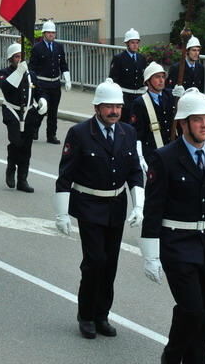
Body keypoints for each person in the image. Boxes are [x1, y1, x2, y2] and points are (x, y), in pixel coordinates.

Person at [140, 87, 205, 364]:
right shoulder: (164, 158)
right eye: (198, 120)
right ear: (183, 123)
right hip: (176, 244)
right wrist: (150, 255)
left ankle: (197, 360)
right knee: (192, 309)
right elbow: (153, 209)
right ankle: (172, 357)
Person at [54, 79, 144, 339]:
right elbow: (65, 175)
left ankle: (102, 314)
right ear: (97, 107)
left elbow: (135, 172)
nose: (114, 111)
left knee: (111, 265)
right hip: (89, 206)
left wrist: (138, 204)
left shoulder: (128, 132)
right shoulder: (80, 133)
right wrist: (61, 213)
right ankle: (86, 315)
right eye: (108, 106)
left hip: (116, 206)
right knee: (94, 262)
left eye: (118, 106)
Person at [0, 42, 47, 193]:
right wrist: (19, 72)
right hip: (12, 111)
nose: (20, 59)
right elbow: (6, 88)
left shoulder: (30, 74)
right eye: (17, 57)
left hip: (28, 112)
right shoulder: (3, 73)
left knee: (26, 147)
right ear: (10, 59)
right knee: (16, 142)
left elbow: (39, 91)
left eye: (21, 56)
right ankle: (11, 167)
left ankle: (22, 179)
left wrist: (43, 100)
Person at [29, 19, 71, 144]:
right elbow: (32, 67)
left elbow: (63, 64)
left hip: (55, 83)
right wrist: (32, 83)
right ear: (44, 34)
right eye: (48, 33)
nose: (51, 35)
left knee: (53, 111)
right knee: (43, 108)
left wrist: (67, 79)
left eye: (53, 33)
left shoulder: (59, 47)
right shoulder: (37, 48)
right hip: (42, 83)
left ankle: (51, 135)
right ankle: (34, 129)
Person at [128, 62, 176, 168]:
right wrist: (140, 156)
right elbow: (136, 133)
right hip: (153, 153)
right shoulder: (140, 103)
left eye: (163, 77)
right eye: (157, 77)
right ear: (148, 81)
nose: (161, 80)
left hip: (173, 150)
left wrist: (184, 96)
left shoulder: (171, 96)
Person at [108, 28, 147, 109]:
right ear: (127, 43)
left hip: (139, 96)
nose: (135, 45)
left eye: (137, 42)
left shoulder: (141, 58)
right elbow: (113, 79)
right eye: (132, 42)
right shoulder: (119, 58)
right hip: (124, 96)